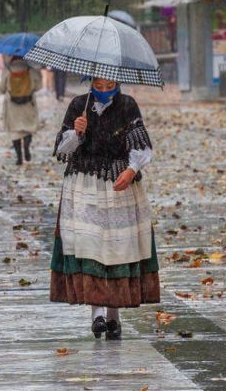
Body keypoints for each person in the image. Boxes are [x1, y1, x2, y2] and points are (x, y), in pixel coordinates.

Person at [49, 76, 160, 340]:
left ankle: (114, 315)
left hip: (118, 184)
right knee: (89, 245)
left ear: (117, 84)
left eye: (109, 87)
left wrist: (132, 170)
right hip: (83, 183)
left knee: (117, 248)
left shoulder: (127, 105)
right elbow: (62, 148)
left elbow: (141, 145)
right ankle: (96, 314)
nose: (103, 91)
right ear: (91, 84)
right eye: (98, 87)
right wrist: (76, 132)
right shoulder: (79, 105)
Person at [0, 56, 41, 165]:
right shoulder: (30, 70)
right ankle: (26, 145)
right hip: (28, 103)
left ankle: (19, 157)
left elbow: (1, 89)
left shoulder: (7, 70)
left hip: (12, 105)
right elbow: (39, 86)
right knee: (28, 127)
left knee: (15, 130)